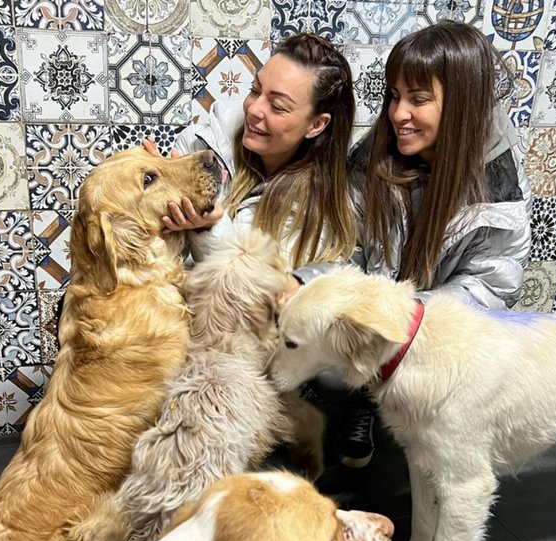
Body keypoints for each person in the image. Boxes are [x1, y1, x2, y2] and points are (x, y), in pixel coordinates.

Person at [317, 21, 532, 476]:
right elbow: (343, 247)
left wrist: (408, 319)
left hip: (442, 339)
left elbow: (492, 283)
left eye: (418, 99)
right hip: (377, 321)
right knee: (323, 365)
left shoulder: (499, 180)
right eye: (394, 96)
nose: (398, 114)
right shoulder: (371, 158)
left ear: (462, 104)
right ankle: (365, 403)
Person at [147, 32, 356, 282]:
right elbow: (158, 266)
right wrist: (153, 196)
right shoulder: (200, 143)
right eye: (255, 90)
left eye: (277, 106)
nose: (254, 109)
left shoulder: (318, 213)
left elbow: (261, 291)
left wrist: (210, 227)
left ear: (316, 125)